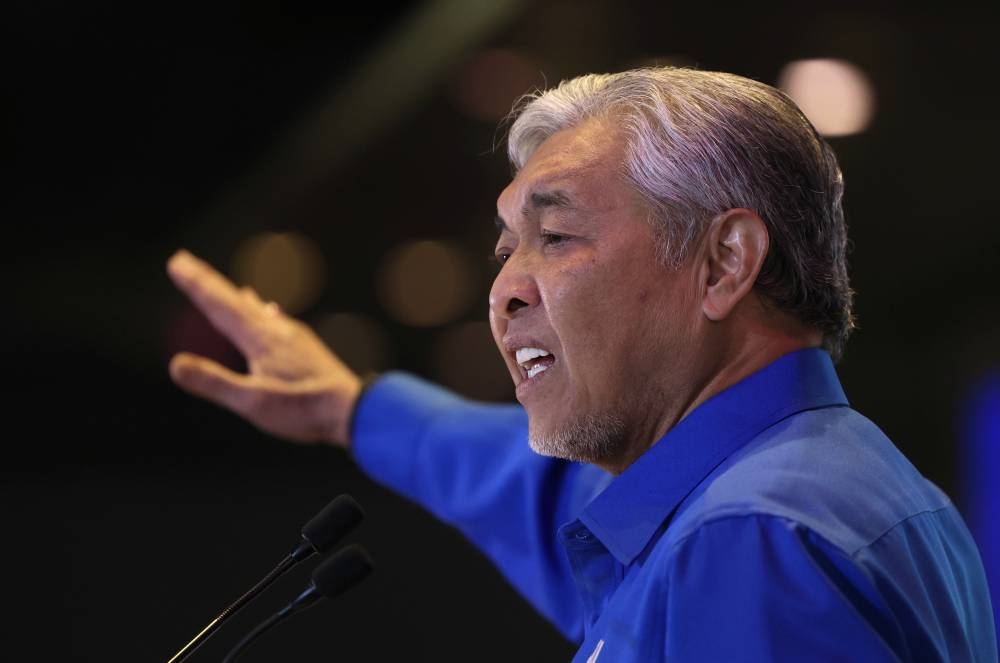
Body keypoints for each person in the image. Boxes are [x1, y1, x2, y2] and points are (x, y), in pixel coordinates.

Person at [166, 67, 997, 661]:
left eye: (556, 237)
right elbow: (525, 483)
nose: (503, 290)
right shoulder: (817, 489)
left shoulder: (746, 541)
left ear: (723, 262)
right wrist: (351, 408)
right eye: (506, 248)